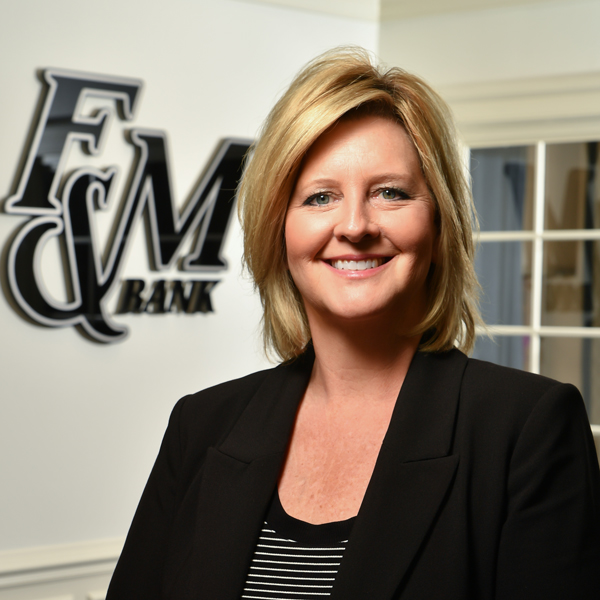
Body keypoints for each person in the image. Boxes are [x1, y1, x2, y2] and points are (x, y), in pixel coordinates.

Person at [106, 47, 600, 600]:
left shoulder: (528, 429)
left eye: (391, 192)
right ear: (279, 231)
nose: (356, 226)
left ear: (438, 225)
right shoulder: (202, 424)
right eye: (320, 197)